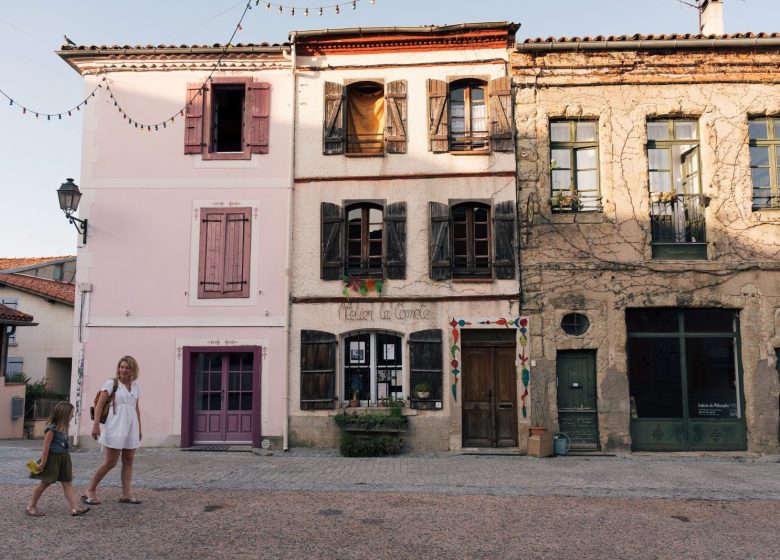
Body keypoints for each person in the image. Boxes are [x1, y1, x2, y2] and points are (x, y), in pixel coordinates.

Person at [81, 355, 142, 505]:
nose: (124, 370)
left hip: (131, 426)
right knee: (110, 462)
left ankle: (126, 494)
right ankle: (90, 490)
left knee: (128, 461)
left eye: (127, 367)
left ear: (132, 369)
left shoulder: (135, 386)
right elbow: (100, 405)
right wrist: (96, 425)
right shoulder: (111, 383)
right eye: (121, 367)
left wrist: (139, 428)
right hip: (115, 426)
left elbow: (136, 408)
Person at [27, 401, 90, 516]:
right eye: (71, 413)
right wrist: (43, 462)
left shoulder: (64, 427)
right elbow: (46, 446)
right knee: (45, 483)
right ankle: (31, 506)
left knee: (67, 484)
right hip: (53, 459)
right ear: (64, 414)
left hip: (64, 458)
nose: (72, 416)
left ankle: (74, 508)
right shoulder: (52, 429)